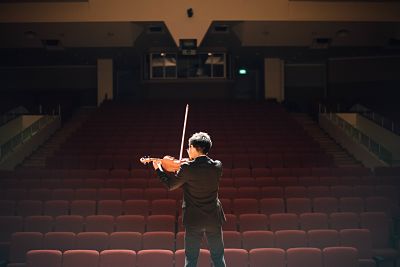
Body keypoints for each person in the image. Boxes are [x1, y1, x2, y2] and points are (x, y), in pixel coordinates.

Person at [152, 132, 226, 267]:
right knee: (218, 257)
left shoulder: (187, 168)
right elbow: (201, 170)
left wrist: (159, 169)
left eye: (188, 148)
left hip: (194, 219)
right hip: (214, 218)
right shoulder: (217, 166)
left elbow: (170, 185)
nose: (187, 151)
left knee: (191, 259)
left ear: (192, 148)